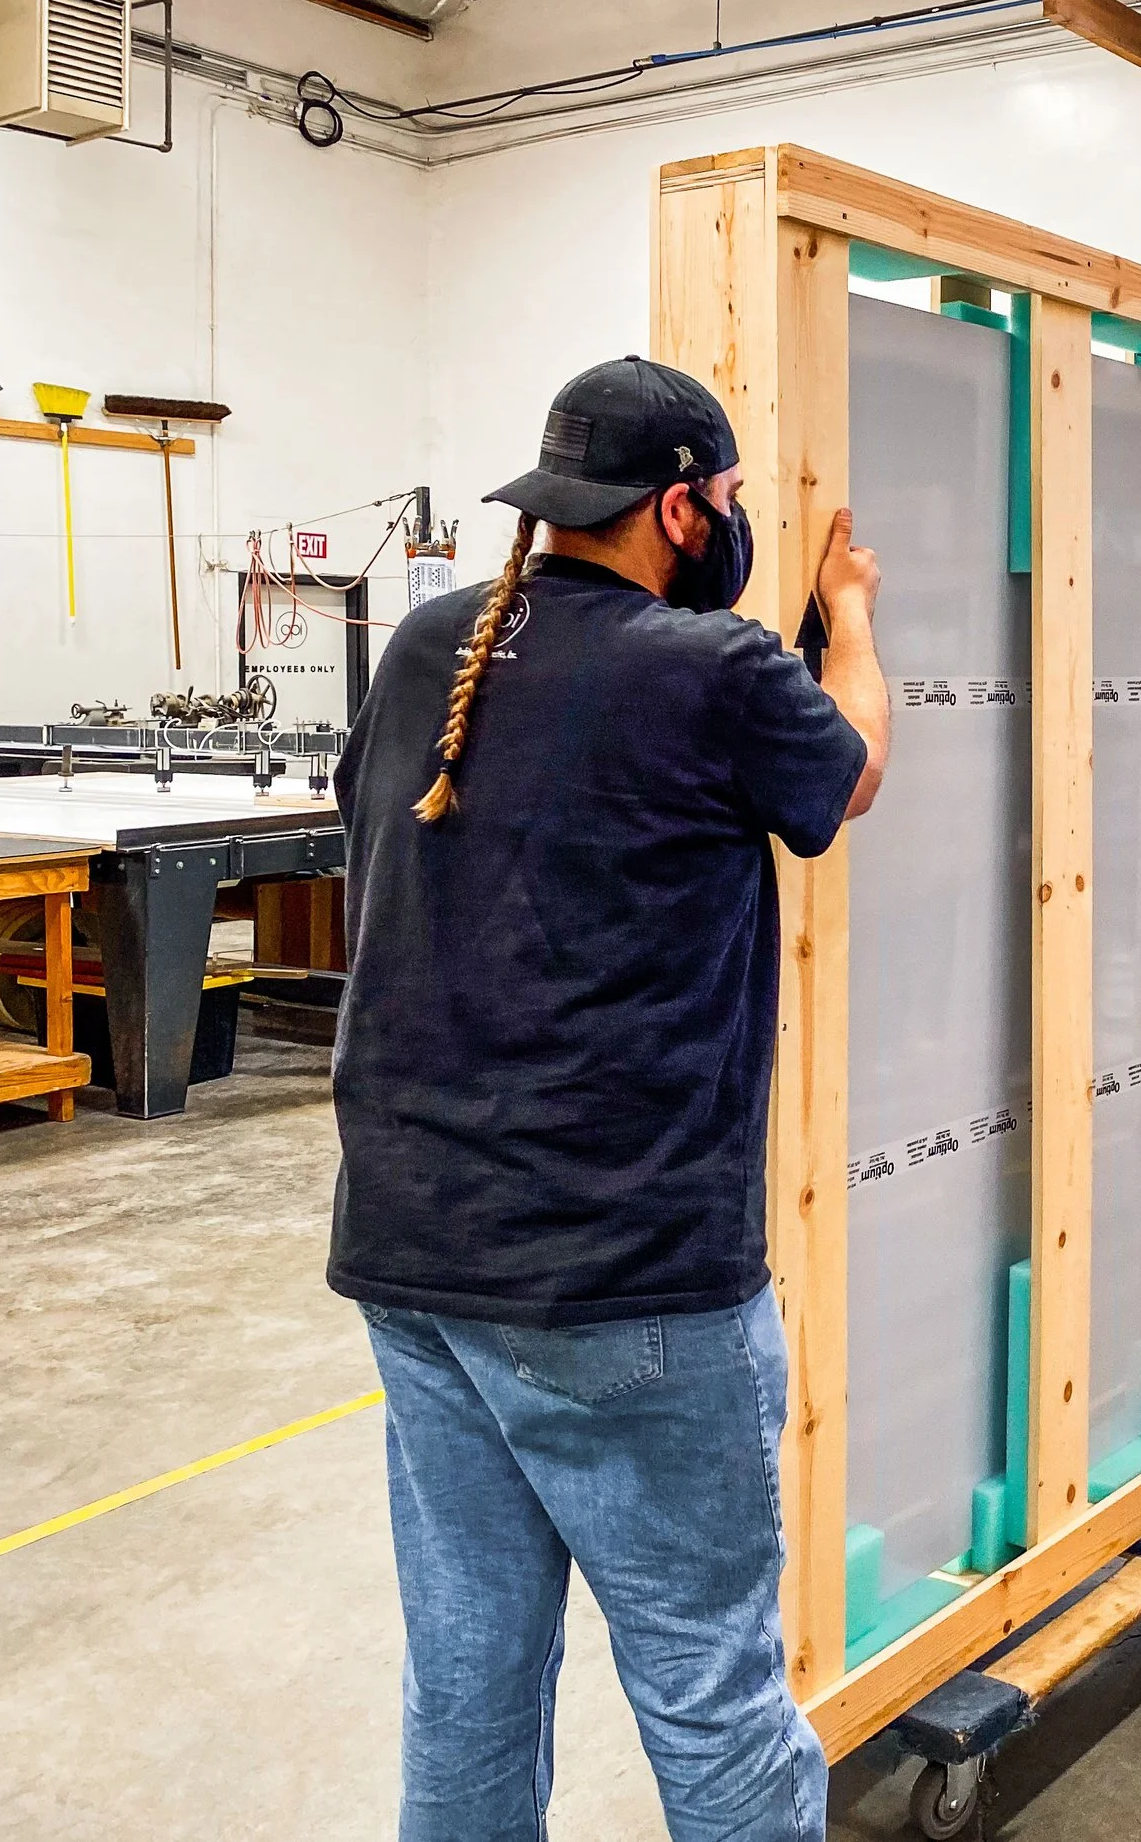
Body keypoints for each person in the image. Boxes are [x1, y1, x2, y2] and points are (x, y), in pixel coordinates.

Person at [327, 356, 890, 1842]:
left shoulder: (430, 648)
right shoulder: (715, 668)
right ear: (681, 506)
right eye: (731, 500)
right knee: (710, 1690)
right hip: (622, 1276)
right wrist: (855, 626)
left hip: (418, 1253)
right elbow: (853, 774)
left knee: (466, 1677)